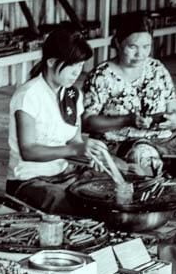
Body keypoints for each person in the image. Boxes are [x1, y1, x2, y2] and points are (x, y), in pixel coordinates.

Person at [6, 27, 113, 214]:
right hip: (30, 180)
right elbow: (29, 151)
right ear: (52, 62)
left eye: (80, 66)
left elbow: (75, 141)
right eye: (72, 66)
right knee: (80, 209)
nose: (76, 73)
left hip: (64, 174)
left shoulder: (72, 94)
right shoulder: (29, 95)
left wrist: (91, 155)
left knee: (108, 195)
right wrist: (76, 149)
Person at [82, 14, 176, 155]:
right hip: (121, 142)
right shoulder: (101, 76)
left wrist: (172, 120)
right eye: (132, 47)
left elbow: (174, 109)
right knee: (143, 155)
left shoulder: (156, 68)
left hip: (163, 138)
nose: (140, 54)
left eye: (146, 46)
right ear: (118, 43)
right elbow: (87, 121)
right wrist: (127, 120)